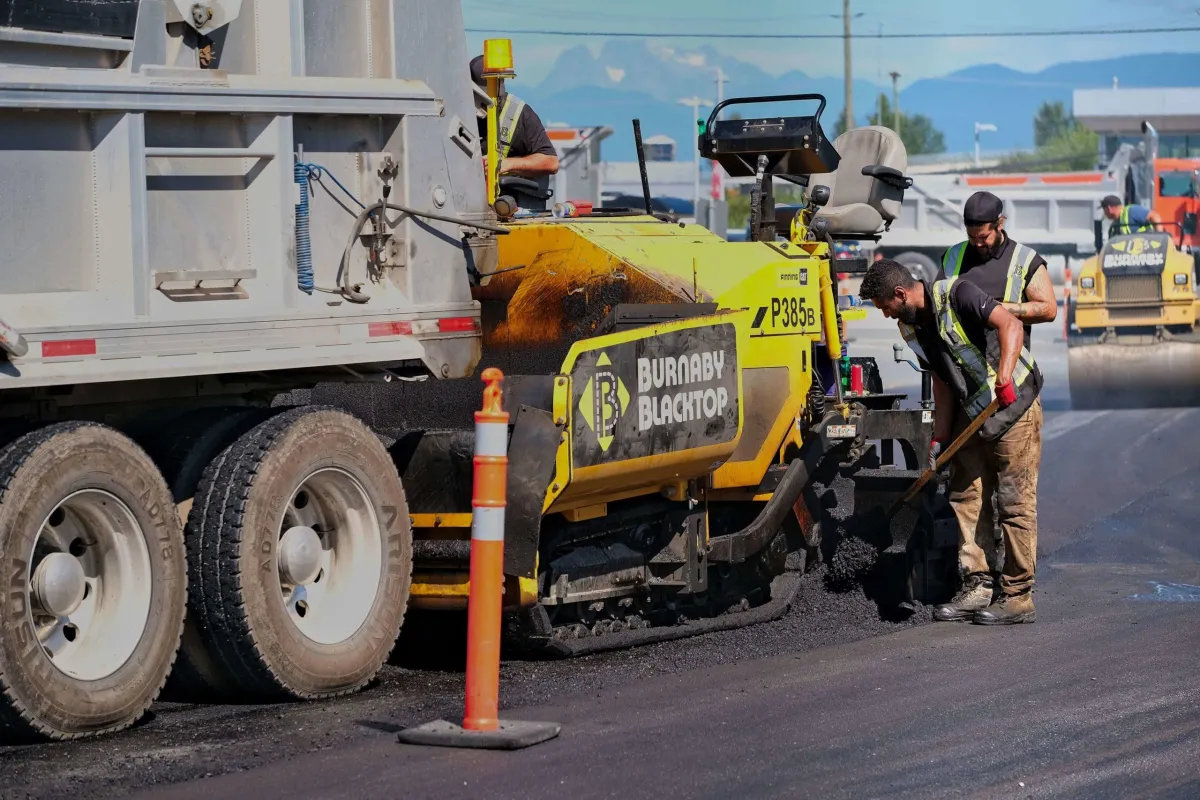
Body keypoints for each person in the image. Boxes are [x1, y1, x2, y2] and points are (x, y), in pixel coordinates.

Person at [860, 259, 1044, 625]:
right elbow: (941, 382)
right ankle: (978, 585)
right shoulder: (908, 327)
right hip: (972, 411)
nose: (885, 315)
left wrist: (1005, 375)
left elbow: (1010, 324)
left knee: (1014, 501)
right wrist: (940, 437)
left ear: (901, 294)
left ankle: (1018, 595)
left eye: (885, 307)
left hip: (1014, 402)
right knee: (966, 495)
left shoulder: (957, 293)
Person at [936, 191, 1058, 355]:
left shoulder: (1025, 259)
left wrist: (995, 310)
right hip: (961, 370)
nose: (978, 244)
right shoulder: (953, 255)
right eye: (972, 237)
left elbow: (1049, 309)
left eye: (984, 237)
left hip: (1008, 371)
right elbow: (936, 302)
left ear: (1000, 224)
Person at [469, 55, 559, 179]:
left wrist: (507, 164)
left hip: (508, 193)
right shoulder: (463, 111)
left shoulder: (519, 113)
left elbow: (551, 162)